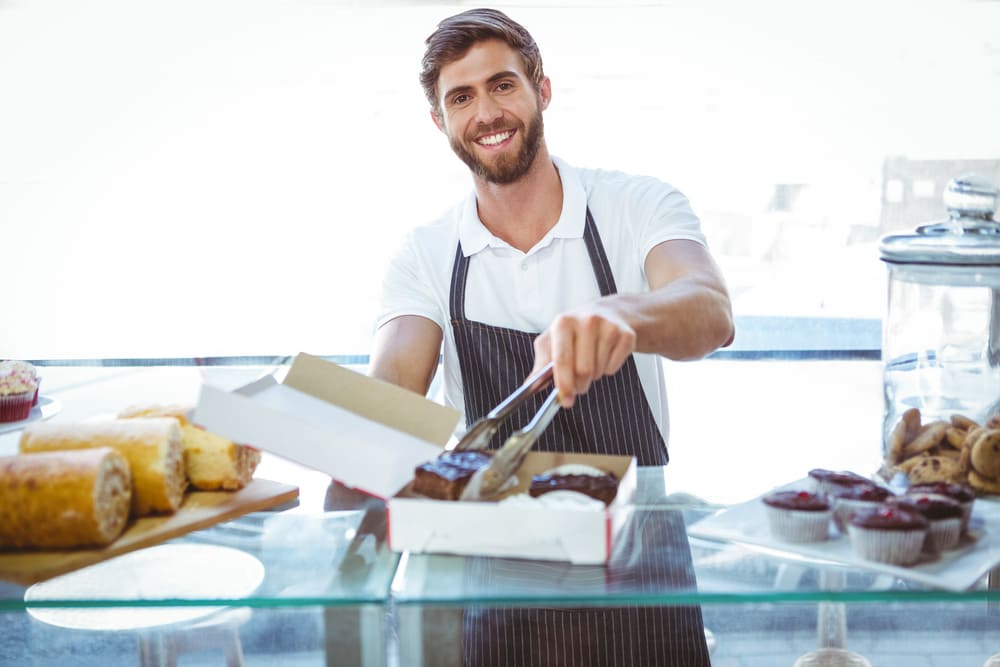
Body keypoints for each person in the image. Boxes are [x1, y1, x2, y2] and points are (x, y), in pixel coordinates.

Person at [369, 8, 733, 666]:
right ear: (439, 121)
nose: (487, 112)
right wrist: (306, 421)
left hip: (638, 569)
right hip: (498, 582)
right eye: (462, 97)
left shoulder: (633, 205)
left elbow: (708, 309)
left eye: (503, 85)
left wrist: (623, 315)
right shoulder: (425, 255)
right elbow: (391, 390)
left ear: (542, 88)